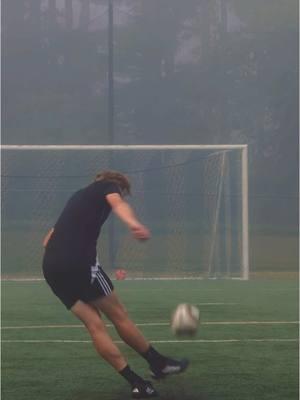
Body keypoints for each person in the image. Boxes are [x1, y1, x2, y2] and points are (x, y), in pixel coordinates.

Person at [42, 170, 189, 399]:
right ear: (116, 186)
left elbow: (47, 240)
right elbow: (118, 203)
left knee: (94, 325)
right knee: (119, 315)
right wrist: (133, 224)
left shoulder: (77, 197)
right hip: (80, 265)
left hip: (51, 268)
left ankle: (137, 382)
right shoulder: (108, 187)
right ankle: (158, 363)